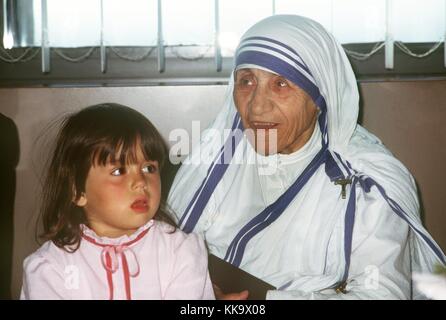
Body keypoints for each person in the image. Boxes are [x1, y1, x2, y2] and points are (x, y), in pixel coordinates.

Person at [167, 15, 446, 299]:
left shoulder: (365, 182)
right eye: (247, 81)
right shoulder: (215, 156)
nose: (257, 106)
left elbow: (381, 294)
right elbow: (162, 254)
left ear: (319, 97)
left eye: (281, 84)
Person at [21, 103, 215, 300]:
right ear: (77, 191)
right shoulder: (51, 267)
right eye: (118, 171)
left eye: (149, 168)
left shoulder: (180, 251)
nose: (140, 182)